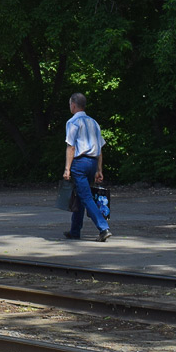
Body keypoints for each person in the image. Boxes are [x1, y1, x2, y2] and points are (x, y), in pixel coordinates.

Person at [62, 92, 111, 241]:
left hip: (79, 163)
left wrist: (67, 169)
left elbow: (71, 147)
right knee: (81, 196)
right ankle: (75, 231)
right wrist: (99, 169)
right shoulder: (94, 122)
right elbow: (100, 148)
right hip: (92, 162)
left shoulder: (73, 122)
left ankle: (103, 228)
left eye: (70, 103)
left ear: (74, 105)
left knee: (86, 196)